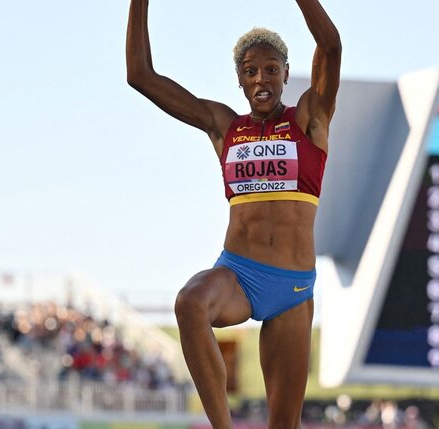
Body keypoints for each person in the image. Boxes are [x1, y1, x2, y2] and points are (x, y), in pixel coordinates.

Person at [126, 0, 341, 427]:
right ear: (240, 81)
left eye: (271, 68)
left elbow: (330, 46)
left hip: (292, 288)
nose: (261, 78)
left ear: (285, 72)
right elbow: (140, 76)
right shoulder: (225, 125)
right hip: (238, 274)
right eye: (250, 71)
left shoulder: (309, 118)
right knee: (189, 303)